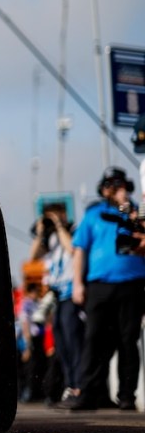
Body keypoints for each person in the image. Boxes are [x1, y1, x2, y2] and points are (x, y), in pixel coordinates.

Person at [59, 166, 145, 411]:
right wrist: (77, 283)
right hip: (99, 286)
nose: (115, 189)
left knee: (127, 340)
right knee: (94, 338)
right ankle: (88, 392)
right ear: (103, 189)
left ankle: (127, 396)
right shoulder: (93, 215)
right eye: (111, 185)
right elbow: (79, 251)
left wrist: (129, 210)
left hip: (132, 283)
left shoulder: (137, 213)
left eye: (120, 184)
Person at [29, 203, 83, 405]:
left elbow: (71, 248)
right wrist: (41, 232)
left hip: (71, 293)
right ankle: (70, 386)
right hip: (57, 297)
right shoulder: (51, 238)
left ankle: (78, 386)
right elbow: (33, 256)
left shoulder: (74, 230)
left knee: (73, 342)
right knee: (61, 344)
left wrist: (60, 226)